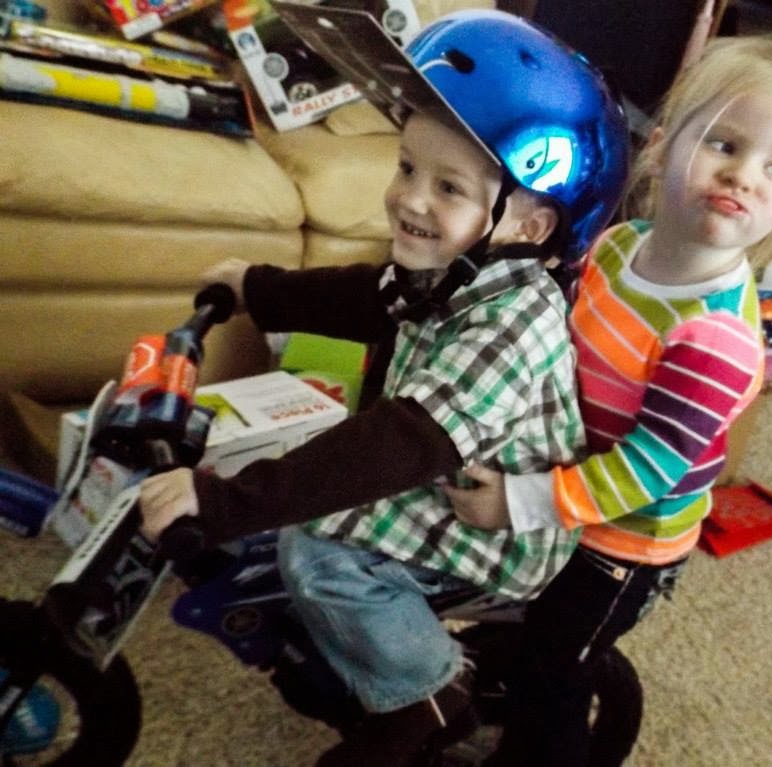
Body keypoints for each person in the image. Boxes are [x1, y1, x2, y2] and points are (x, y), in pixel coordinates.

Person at [138, 9, 630, 767]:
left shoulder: (517, 323)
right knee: (305, 486)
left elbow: (403, 442)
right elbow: (370, 297)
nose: (410, 199)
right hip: (440, 474)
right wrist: (259, 290)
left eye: (448, 187)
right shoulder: (452, 269)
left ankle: (425, 696)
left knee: (317, 551)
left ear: (530, 228)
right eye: (406, 168)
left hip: (493, 519)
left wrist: (227, 501)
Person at [445, 32, 772, 767]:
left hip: (622, 542)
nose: (744, 176)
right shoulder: (619, 244)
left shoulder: (712, 337)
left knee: (550, 674)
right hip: (569, 474)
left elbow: (648, 470)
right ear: (661, 149)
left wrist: (523, 501)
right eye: (724, 143)